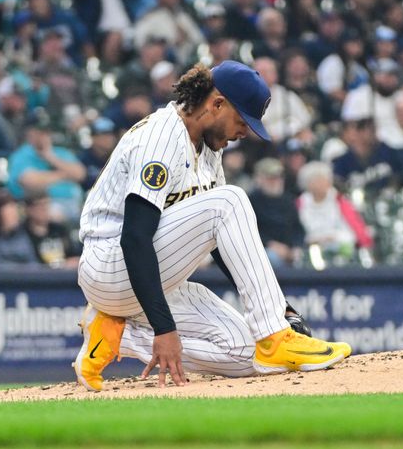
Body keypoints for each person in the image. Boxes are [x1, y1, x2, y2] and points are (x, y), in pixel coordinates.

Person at [74, 61, 350, 391]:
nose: (245, 131)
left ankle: (116, 334)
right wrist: (165, 328)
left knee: (246, 353)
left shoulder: (207, 146)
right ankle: (275, 337)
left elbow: (222, 242)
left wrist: (281, 308)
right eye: (242, 119)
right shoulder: (163, 138)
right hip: (109, 265)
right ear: (216, 103)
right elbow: (134, 238)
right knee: (230, 201)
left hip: (149, 274)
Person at [7, 109, 86, 222]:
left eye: (47, 131)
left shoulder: (60, 152)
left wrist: (50, 157)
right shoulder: (21, 155)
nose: (45, 135)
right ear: (30, 133)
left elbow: (80, 174)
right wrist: (64, 174)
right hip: (43, 208)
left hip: (76, 205)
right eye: (40, 131)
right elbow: (30, 181)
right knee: (53, 212)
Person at [296, 161, 373, 257]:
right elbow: (297, 232)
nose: (322, 184)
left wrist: (334, 237)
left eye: (324, 180)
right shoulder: (300, 204)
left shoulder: (340, 202)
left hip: (340, 246)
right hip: (310, 248)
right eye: (317, 181)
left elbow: (354, 232)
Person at [248, 158, 305, 268]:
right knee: (271, 257)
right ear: (259, 179)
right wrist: (270, 244)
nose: (276, 181)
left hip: (289, 249)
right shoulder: (250, 200)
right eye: (271, 178)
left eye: (279, 177)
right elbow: (248, 230)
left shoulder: (288, 200)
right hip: (262, 249)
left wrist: (296, 247)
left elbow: (298, 228)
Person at [24, 191, 81, 268]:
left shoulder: (59, 229)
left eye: (47, 204)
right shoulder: (24, 234)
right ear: (29, 210)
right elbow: (30, 264)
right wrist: (61, 264)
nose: (45, 209)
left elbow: (73, 255)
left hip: (65, 276)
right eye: (40, 206)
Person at [79, 117, 118, 190]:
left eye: (111, 134)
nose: (109, 138)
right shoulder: (83, 158)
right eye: (104, 134)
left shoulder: (119, 156)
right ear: (93, 137)